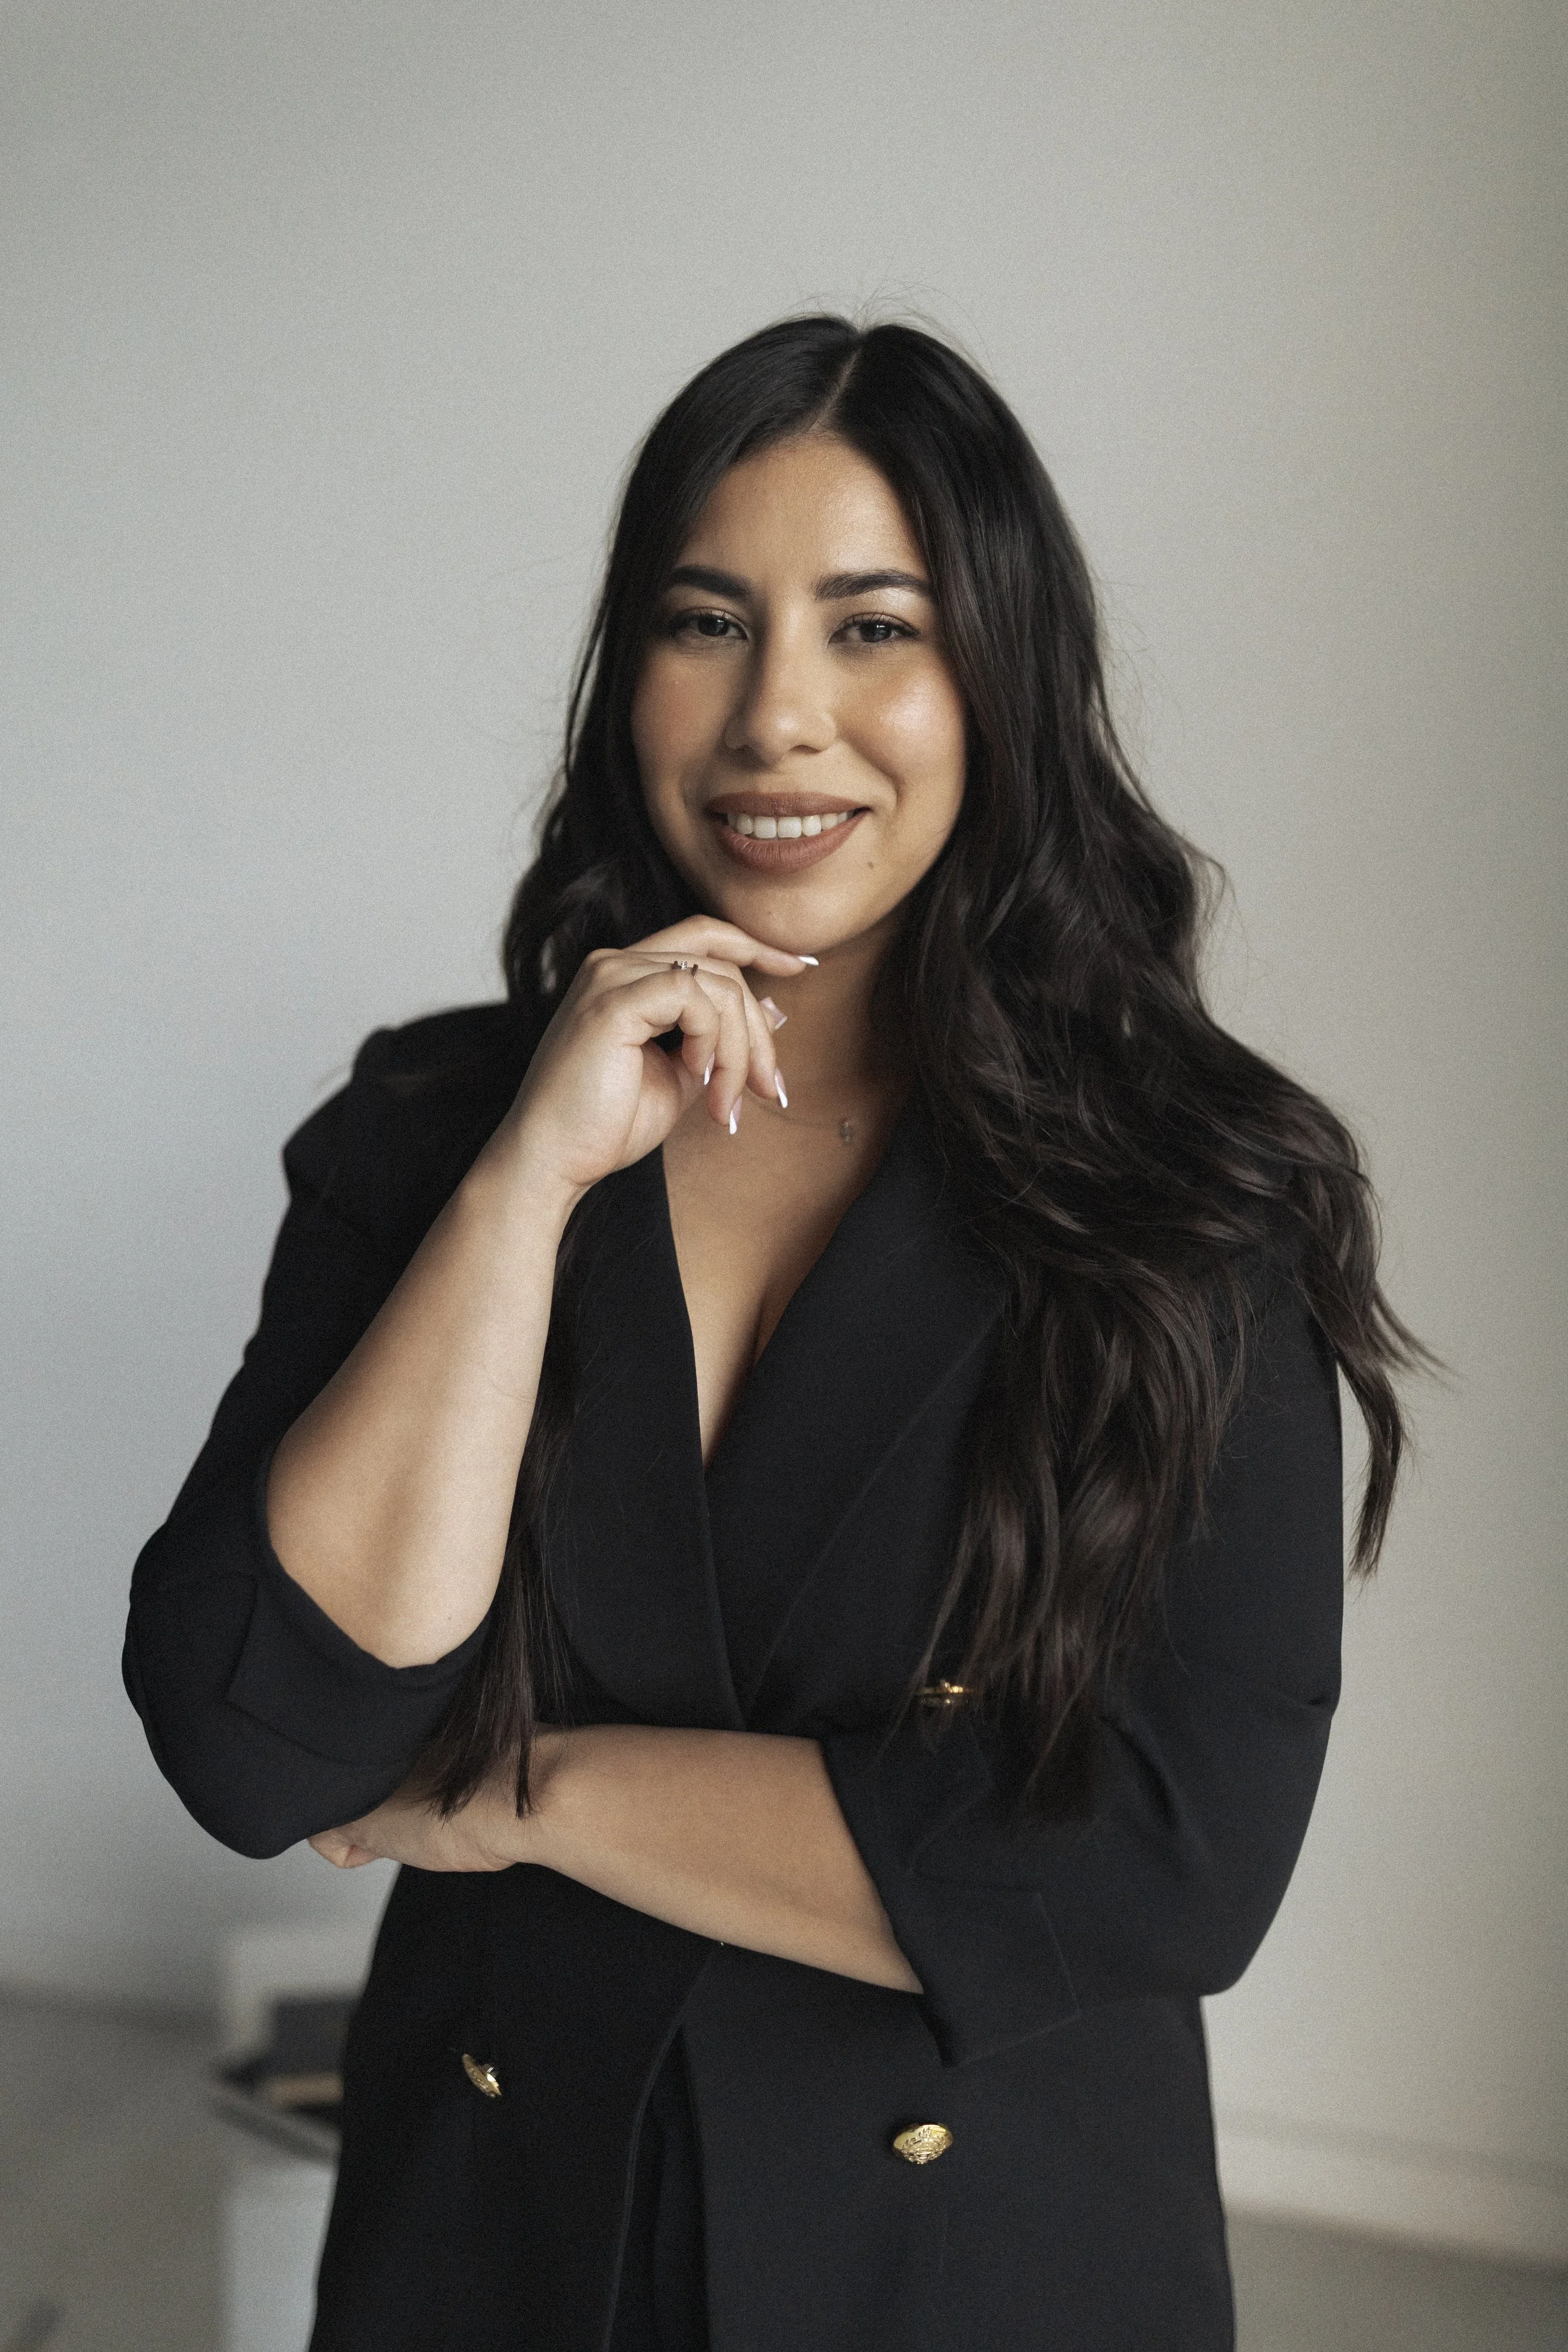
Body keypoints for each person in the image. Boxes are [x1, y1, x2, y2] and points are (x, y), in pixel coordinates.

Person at [125, 315, 1424, 2352]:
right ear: (622, 672)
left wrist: (522, 1793)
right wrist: (523, 1182)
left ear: (998, 674)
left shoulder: (1194, 1196)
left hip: (971, 2272)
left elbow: (1162, 1859)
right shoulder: (433, 1129)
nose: (776, 717)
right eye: (704, 621)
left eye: (873, 626)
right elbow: (260, 1733)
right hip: (493, 2244)